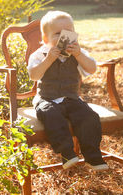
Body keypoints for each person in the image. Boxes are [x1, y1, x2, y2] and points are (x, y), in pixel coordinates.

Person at [27, 11, 108, 171]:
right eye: (58, 33)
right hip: (46, 99)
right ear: (45, 39)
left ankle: (92, 155)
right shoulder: (39, 54)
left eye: (68, 32)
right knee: (52, 116)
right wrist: (48, 59)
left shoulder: (77, 52)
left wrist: (78, 55)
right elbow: (33, 75)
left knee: (89, 117)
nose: (64, 36)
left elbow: (92, 69)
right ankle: (67, 153)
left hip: (71, 98)